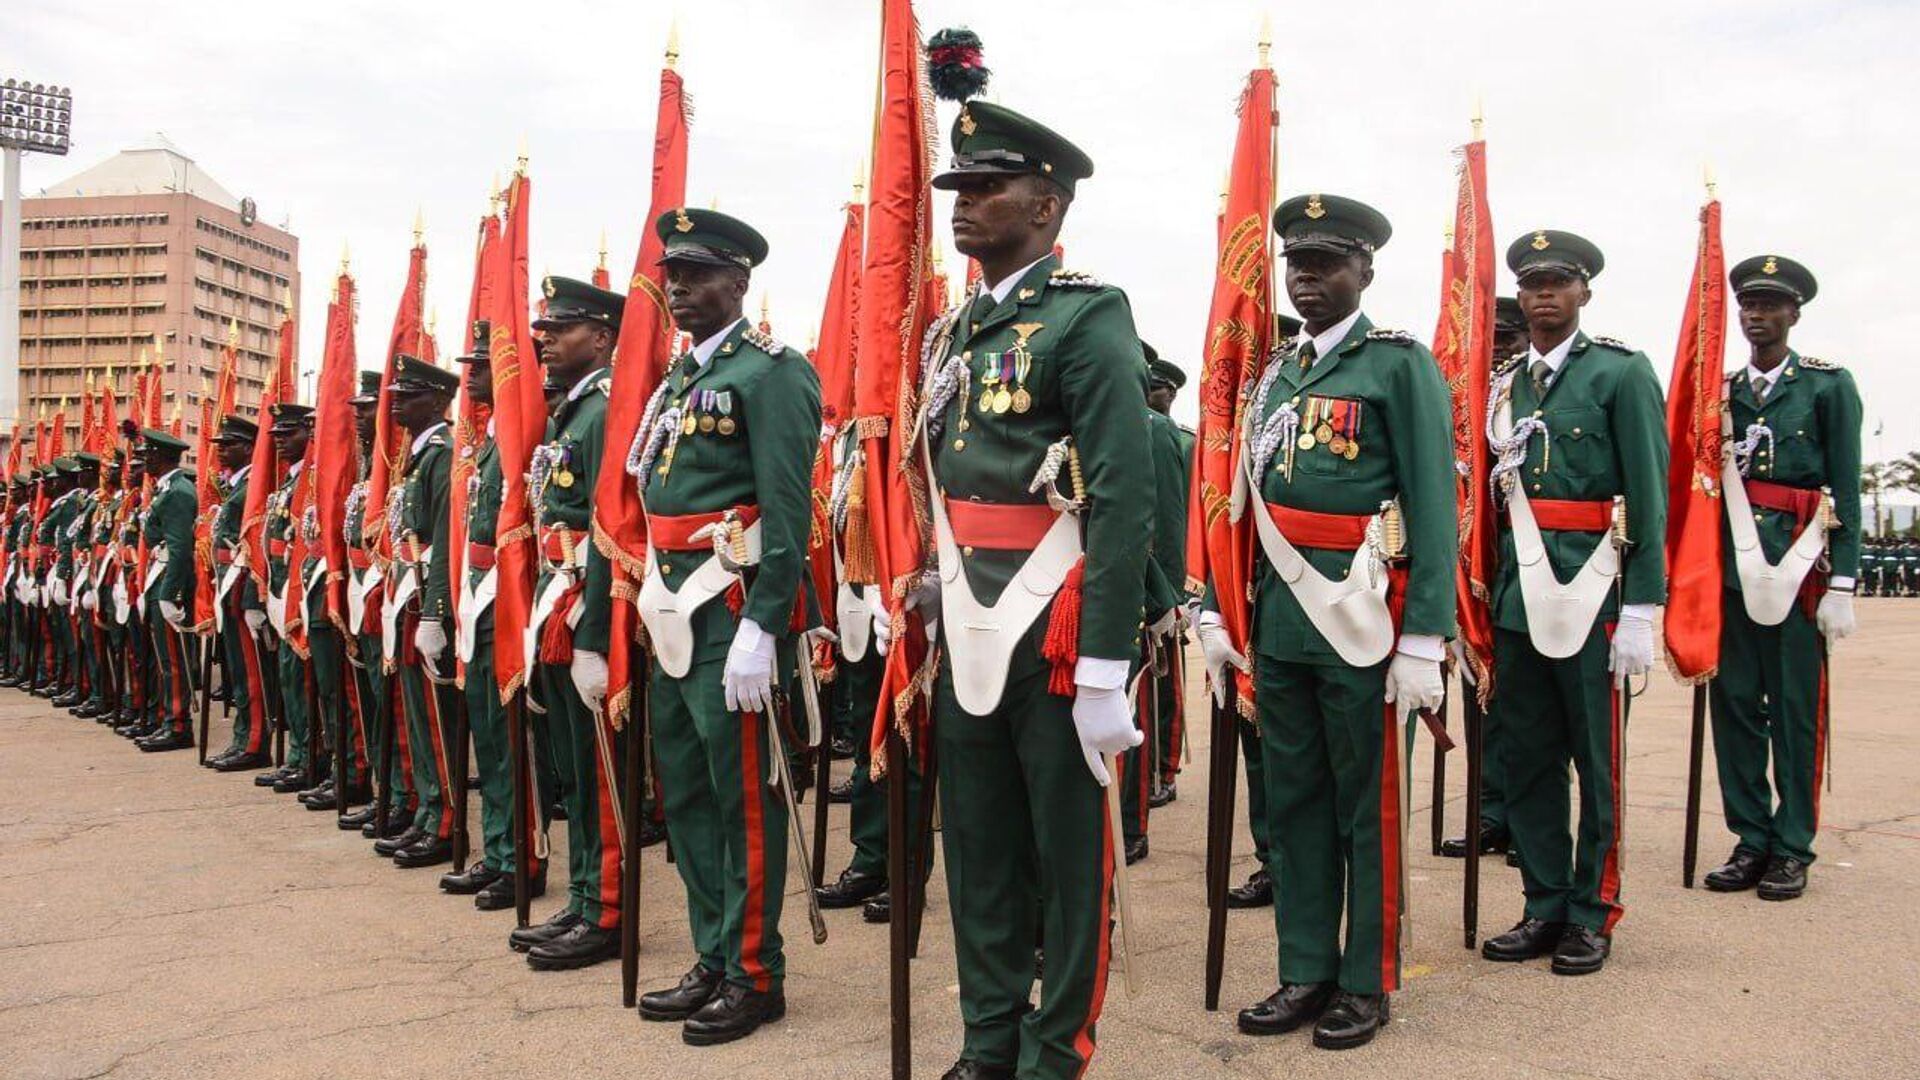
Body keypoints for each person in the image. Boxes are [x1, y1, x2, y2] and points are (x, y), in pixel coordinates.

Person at [912, 101, 1149, 1080]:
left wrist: (1103, 665)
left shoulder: (1088, 315)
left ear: (1046, 204)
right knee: (978, 849)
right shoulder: (954, 330)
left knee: (1066, 856)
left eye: (986, 186)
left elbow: (1123, 494)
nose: (962, 203)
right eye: (958, 187)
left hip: (1050, 620)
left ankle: (1056, 1053)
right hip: (969, 612)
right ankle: (989, 1041)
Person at [1200, 194, 1455, 1050]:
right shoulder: (1276, 371)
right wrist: (1219, 603)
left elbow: (1432, 502)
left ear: (1365, 270)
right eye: (1296, 264)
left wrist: (1424, 636)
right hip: (1281, 620)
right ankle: (1305, 966)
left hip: (1362, 620)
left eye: (1325, 263)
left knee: (1366, 807)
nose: (1306, 279)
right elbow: (1241, 502)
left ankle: (1365, 979)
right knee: (1295, 801)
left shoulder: (1397, 365)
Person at [630, 214, 821, 1043]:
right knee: (687, 794)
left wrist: (765, 626)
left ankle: (753, 971)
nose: (677, 287)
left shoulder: (770, 372)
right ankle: (712, 953)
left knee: (743, 799)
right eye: (671, 273)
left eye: (696, 274)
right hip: (672, 604)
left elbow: (787, 508)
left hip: (730, 608)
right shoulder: (679, 378)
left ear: (739, 283)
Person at [1479, 230, 1667, 977]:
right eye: (1531, 285)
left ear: (1585, 291)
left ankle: (1593, 910)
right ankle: (1544, 902)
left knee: (1597, 761)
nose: (1542, 297)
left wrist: (1643, 605)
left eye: (1557, 282)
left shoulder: (1620, 373)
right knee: (1527, 758)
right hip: (1520, 598)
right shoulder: (1504, 387)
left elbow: (1648, 494)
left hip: (1597, 595)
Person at [1702, 254, 1860, 901]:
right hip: (1732, 574)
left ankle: (1792, 845)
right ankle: (1750, 837)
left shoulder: (1826, 387)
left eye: (1770, 305)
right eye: (1748, 305)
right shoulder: (1722, 393)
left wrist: (1845, 581)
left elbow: (1846, 485)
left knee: (1795, 714)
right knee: (1736, 708)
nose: (1756, 316)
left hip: (1799, 573)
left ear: (1794, 314)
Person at [507, 275, 626, 972]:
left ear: (603, 338)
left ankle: (607, 908)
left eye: (561, 327)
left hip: (585, 602)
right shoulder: (574, 414)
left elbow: (610, 527)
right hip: (560, 595)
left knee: (595, 765)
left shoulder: (604, 411)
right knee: (572, 767)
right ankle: (584, 896)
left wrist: (594, 634)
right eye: (545, 327)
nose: (545, 338)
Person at [438, 325, 547, 910]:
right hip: (480, 595)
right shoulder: (488, 438)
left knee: (511, 742)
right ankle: (501, 851)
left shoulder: (526, 431)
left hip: (509, 597)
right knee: (487, 733)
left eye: (481, 363)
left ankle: (523, 859)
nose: (470, 373)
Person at [1442, 296, 1529, 864]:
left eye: (1508, 338)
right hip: (1476, 565)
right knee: (1482, 696)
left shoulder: (1533, 392)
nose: (1497, 350)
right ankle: (1491, 811)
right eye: (1489, 339)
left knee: (1529, 704)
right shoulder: (1468, 398)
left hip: (1532, 565)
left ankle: (1529, 820)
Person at [379, 355, 462, 867]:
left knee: (435, 718)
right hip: (409, 592)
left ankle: (446, 822)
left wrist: (435, 611)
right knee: (415, 712)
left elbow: (445, 539)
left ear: (437, 400)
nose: (397, 404)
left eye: (408, 396)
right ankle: (428, 814)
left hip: (427, 596)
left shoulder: (441, 455)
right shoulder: (417, 456)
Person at [1118, 343, 1191, 865]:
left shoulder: (1156, 430)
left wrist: (1166, 597)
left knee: (1136, 705)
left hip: (1139, 585)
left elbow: (1166, 518)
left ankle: (1133, 820)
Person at [253, 405, 315, 790]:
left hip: (300, 591)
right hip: (281, 589)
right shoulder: (287, 485)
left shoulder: (309, 481)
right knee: (289, 681)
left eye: (288, 433)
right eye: (276, 434)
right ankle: (297, 756)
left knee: (303, 682)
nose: (279, 441)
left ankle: (309, 758)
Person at [205, 416, 273, 771]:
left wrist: (250, 599)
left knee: (250, 670)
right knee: (237, 668)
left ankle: (254, 742)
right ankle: (241, 736)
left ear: (248, 449)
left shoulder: (251, 488)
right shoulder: (235, 486)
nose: (221, 451)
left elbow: (253, 545)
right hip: (227, 584)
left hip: (242, 585)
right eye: (220, 444)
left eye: (229, 445)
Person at [135, 430, 199, 753]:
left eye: (148, 454)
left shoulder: (178, 491)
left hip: (169, 581)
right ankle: (167, 720)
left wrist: (170, 593)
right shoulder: (167, 488)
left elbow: (179, 547)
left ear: (161, 456)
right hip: (159, 575)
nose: (144, 459)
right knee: (164, 657)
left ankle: (178, 725)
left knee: (173, 657)